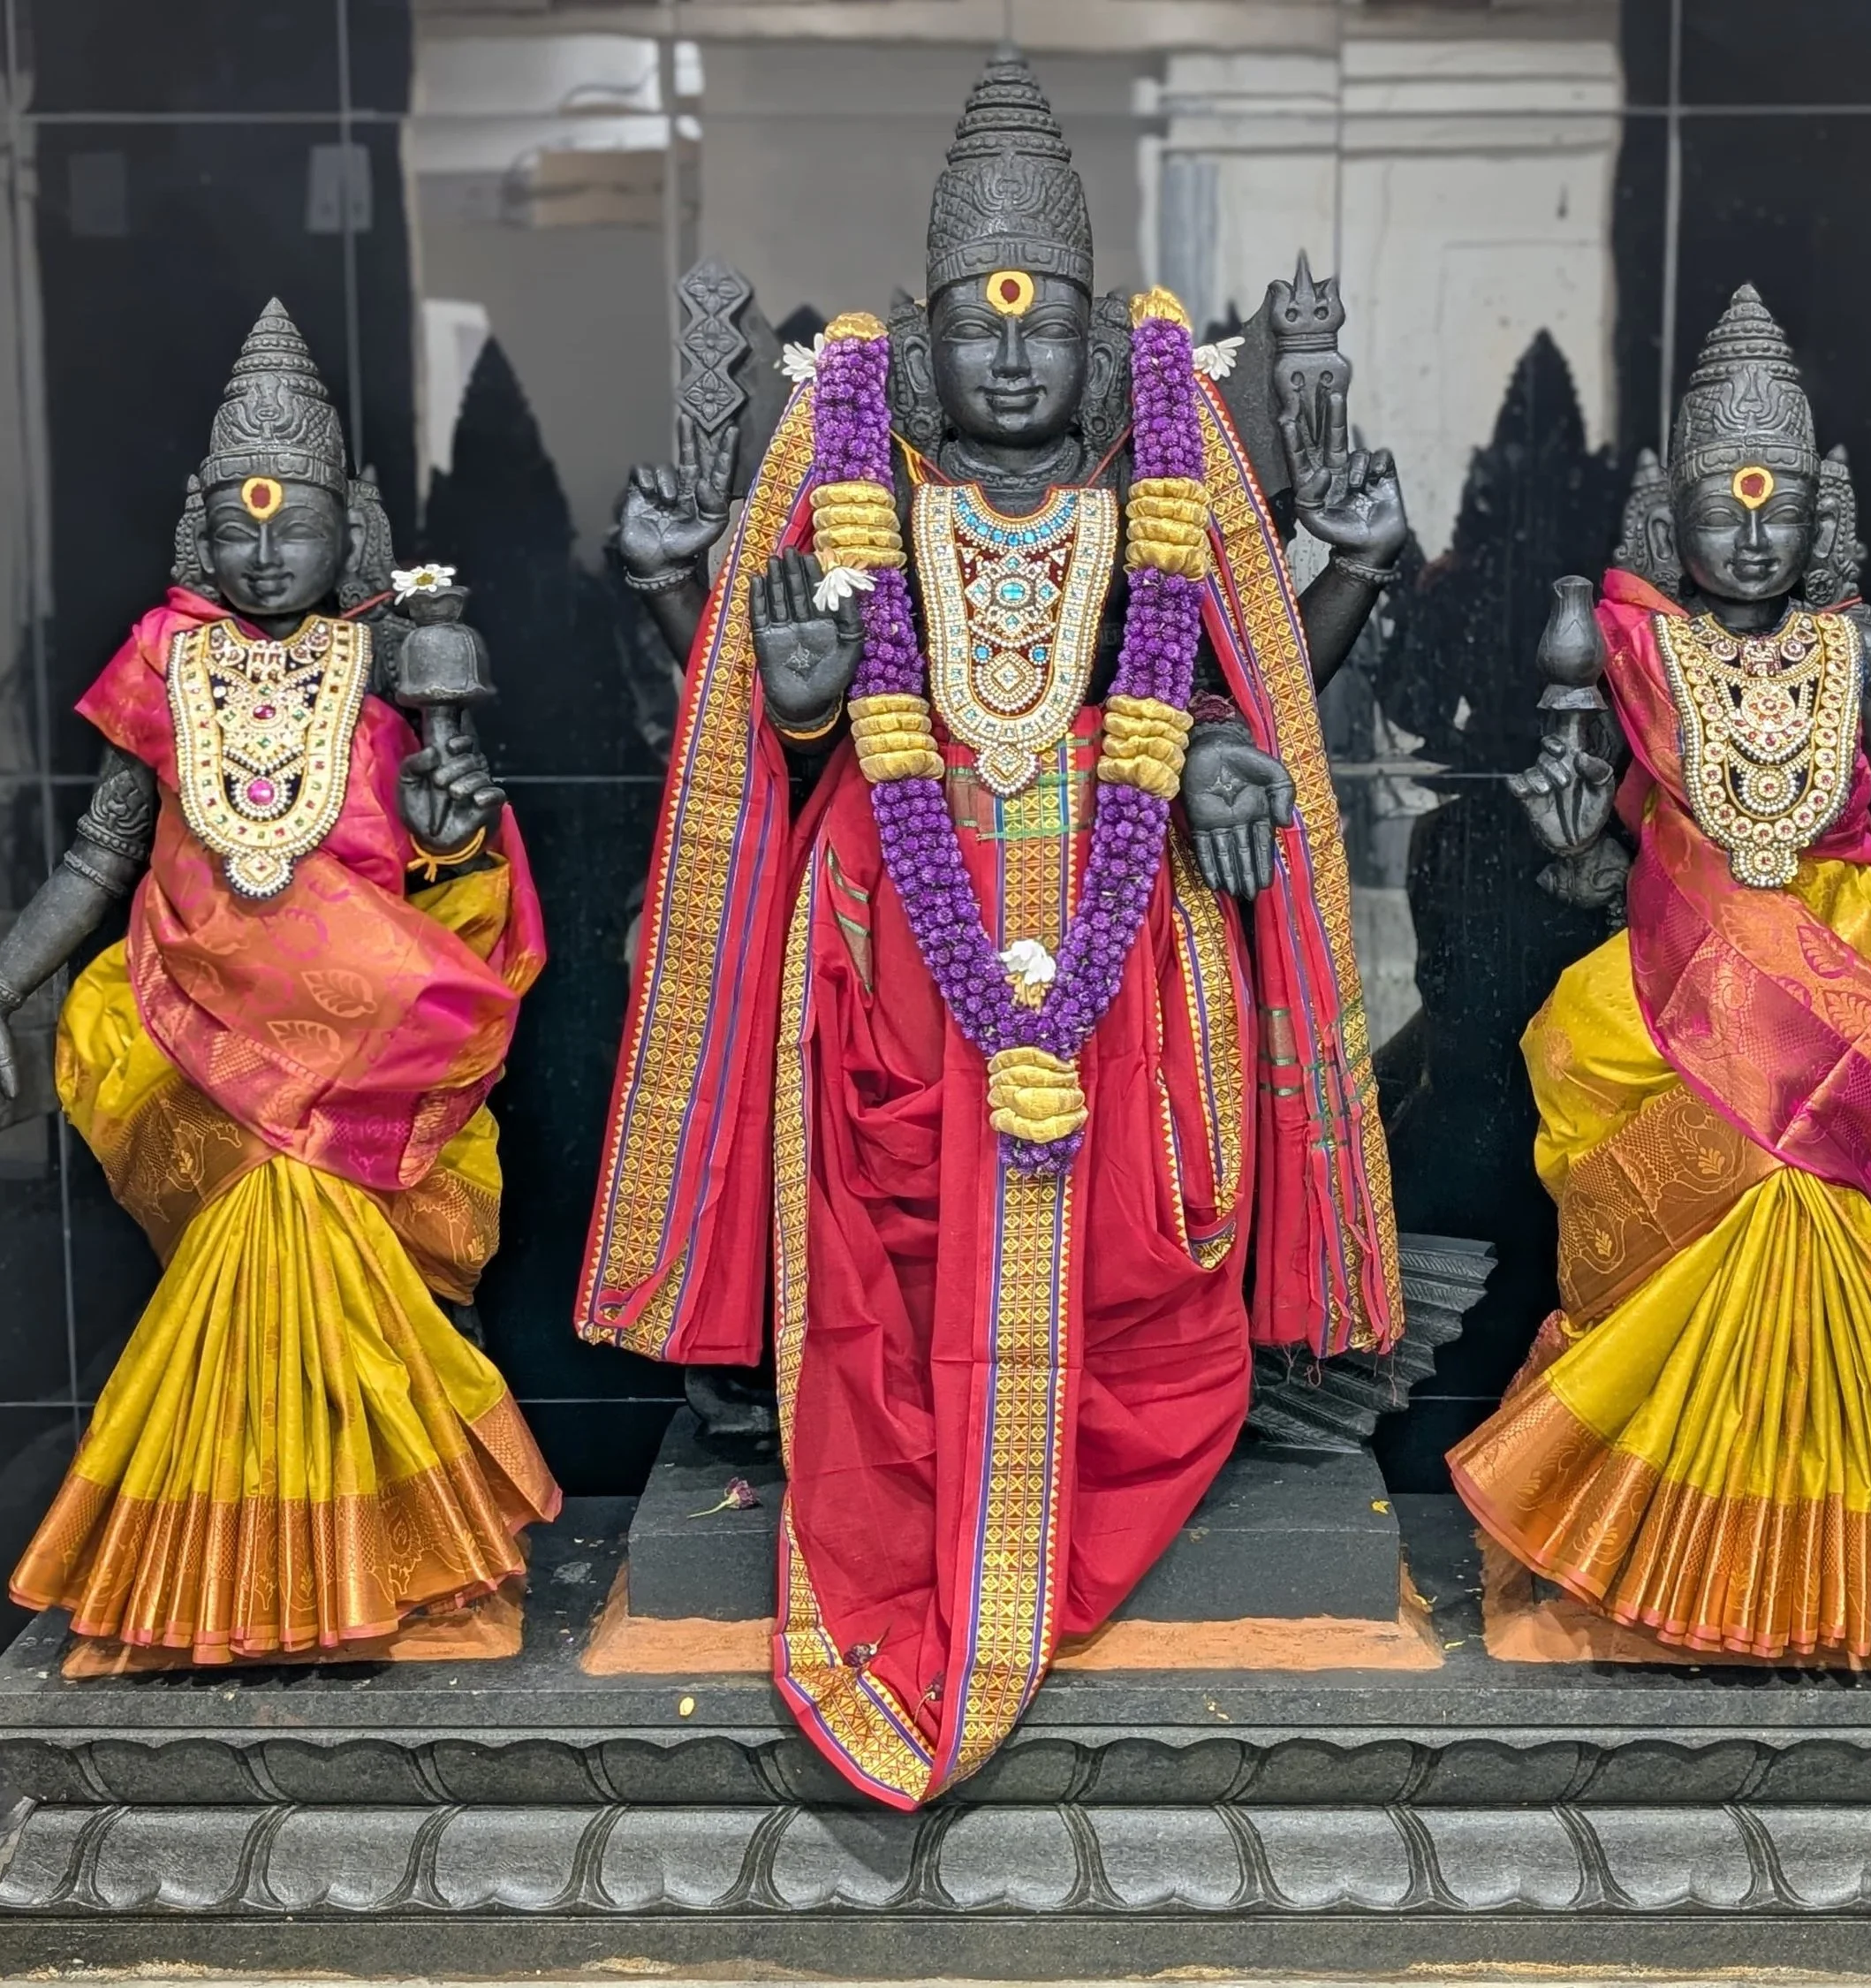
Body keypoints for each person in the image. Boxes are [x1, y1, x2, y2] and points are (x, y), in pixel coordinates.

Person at [581, 51, 1409, 1804]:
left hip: (1119, 928)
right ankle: (903, 1462)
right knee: (885, 1223)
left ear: (1099, 343)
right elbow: (773, 724)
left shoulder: (1150, 490)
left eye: (1044, 327)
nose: (1014, 360)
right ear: (923, 339)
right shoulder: (864, 492)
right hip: (898, 918)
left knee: (1133, 1234)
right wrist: (799, 693)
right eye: (979, 326)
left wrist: (1235, 733)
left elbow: (1227, 685)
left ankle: (1074, 1469)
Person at [1450, 285, 1871, 1662]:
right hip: (1684, 989)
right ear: (1670, 509)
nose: (1749, 534)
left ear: (1821, 512)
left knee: (1809, 1230)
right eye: (1723, 506)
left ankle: (1809, 1589)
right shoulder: (1629, 645)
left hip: (1834, 997)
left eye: (1779, 507)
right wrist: (1567, 837)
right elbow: (1585, 864)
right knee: (1685, 1233)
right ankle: (1655, 1574)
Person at [0, 300, 559, 1662]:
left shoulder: (395, 661)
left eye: (295, 525)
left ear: (351, 528)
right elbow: (101, 855)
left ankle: (375, 1570)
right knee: (269, 1238)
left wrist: (452, 831)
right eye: (239, 525)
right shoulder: (163, 663)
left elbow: (446, 869)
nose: (269, 551)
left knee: (323, 1246)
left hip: (358, 1052)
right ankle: (242, 1582)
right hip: (197, 1036)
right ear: (200, 530)